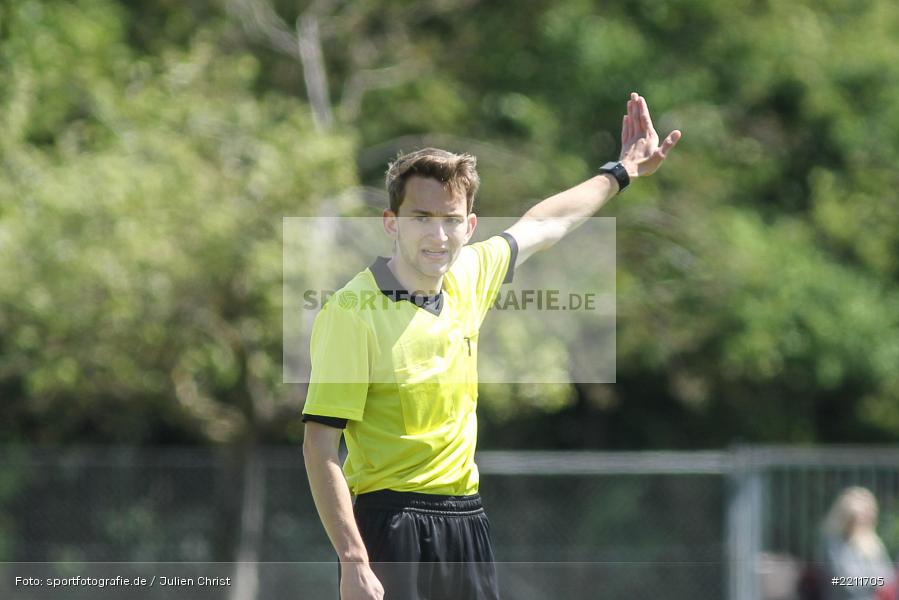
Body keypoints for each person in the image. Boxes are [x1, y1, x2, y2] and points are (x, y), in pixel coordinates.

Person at [302, 92, 681, 600]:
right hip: (389, 525)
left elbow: (546, 223)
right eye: (420, 217)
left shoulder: (468, 274)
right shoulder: (352, 313)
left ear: (470, 226)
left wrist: (620, 171)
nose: (437, 234)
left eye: (451, 219)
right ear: (391, 223)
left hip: (467, 522)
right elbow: (319, 444)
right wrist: (352, 559)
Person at [822, 486, 896, 600]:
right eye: (858, 518)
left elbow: (889, 576)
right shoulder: (834, 544)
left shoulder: (873, 542)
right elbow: (843, 582)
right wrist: (876, 581)